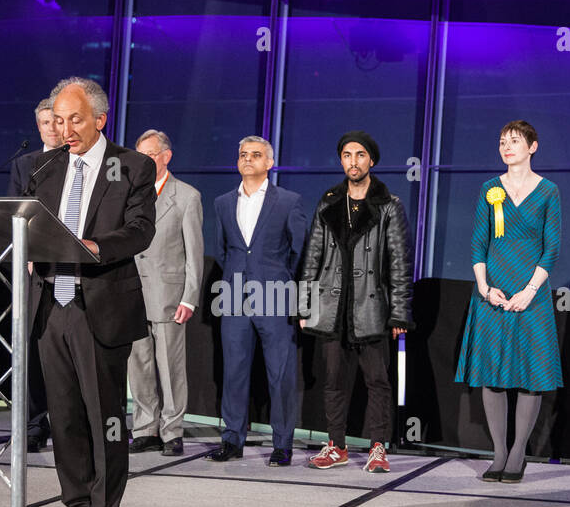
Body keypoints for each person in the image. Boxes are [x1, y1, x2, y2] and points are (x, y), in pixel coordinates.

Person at [30, 76, 155, 507]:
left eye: (75, 119)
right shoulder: (44, 168)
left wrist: (97, 247)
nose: (65, 129)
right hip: (49, 306)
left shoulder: (132, 166)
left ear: (100, 119)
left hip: (98, 305)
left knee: (104, 416)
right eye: (59, 120)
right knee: (63, 418)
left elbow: (141, 229)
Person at [299, 130, 413, 473]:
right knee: (333, 379)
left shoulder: (388, 204)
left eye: (360, 154)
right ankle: (337, 445)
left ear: (371, 160)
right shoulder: (329, 201)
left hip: (372, 308)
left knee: (377, 380)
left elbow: (400, 262)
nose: (353, 161)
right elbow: (312, 257)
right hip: (333, 307)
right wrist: (305, 306)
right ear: (341, 160)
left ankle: (379, 447)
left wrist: (400, 315)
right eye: (347, 155)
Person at [454, 121, 562, 482]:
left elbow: (551, 249)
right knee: (492, 374)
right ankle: (498, 453)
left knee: (530, 375)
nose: (507, 146)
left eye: (514, 141)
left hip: (531, 293)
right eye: (502, 141)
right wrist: (485, 287)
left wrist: (529, 290)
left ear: (533, 146)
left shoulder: (548, 191)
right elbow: (478, 243)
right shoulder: (490, 189)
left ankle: (518, 453)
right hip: (493, 293)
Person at [205, 136, 308, 466]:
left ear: (269, 163)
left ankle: (282, 444)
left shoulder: (289, 201)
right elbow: (222, 250)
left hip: (275, 296)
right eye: (243, 155)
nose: (248, 159)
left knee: (280, 373)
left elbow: (300, 253)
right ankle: (232, 440)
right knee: (233, 370)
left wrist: (278, 280)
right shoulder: (222, 202)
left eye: (256, 155)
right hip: (233, 295)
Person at [128, 129, 203, 457]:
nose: (143, 162)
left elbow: (194, 252)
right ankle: (145, 428)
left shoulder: (186, 196)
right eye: (139, 155)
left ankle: (172, 430)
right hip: (132, 294)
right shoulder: (129, 195)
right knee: (138, 365)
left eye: (150, 155)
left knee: (170, 367)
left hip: (169, 295)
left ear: (166, 157)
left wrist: (190, 296)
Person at [7, 97, 61, 452]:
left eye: (57, 122)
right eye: (45, 123)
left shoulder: (80, 162)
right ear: (38, 126)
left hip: (68, 269)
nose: (52, 129)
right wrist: (25, 251)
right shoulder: (24, 164)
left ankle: (71, 424)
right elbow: (14, 214)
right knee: (30, 350)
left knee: (65, 349)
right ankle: (33, 425)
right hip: (31, 275)